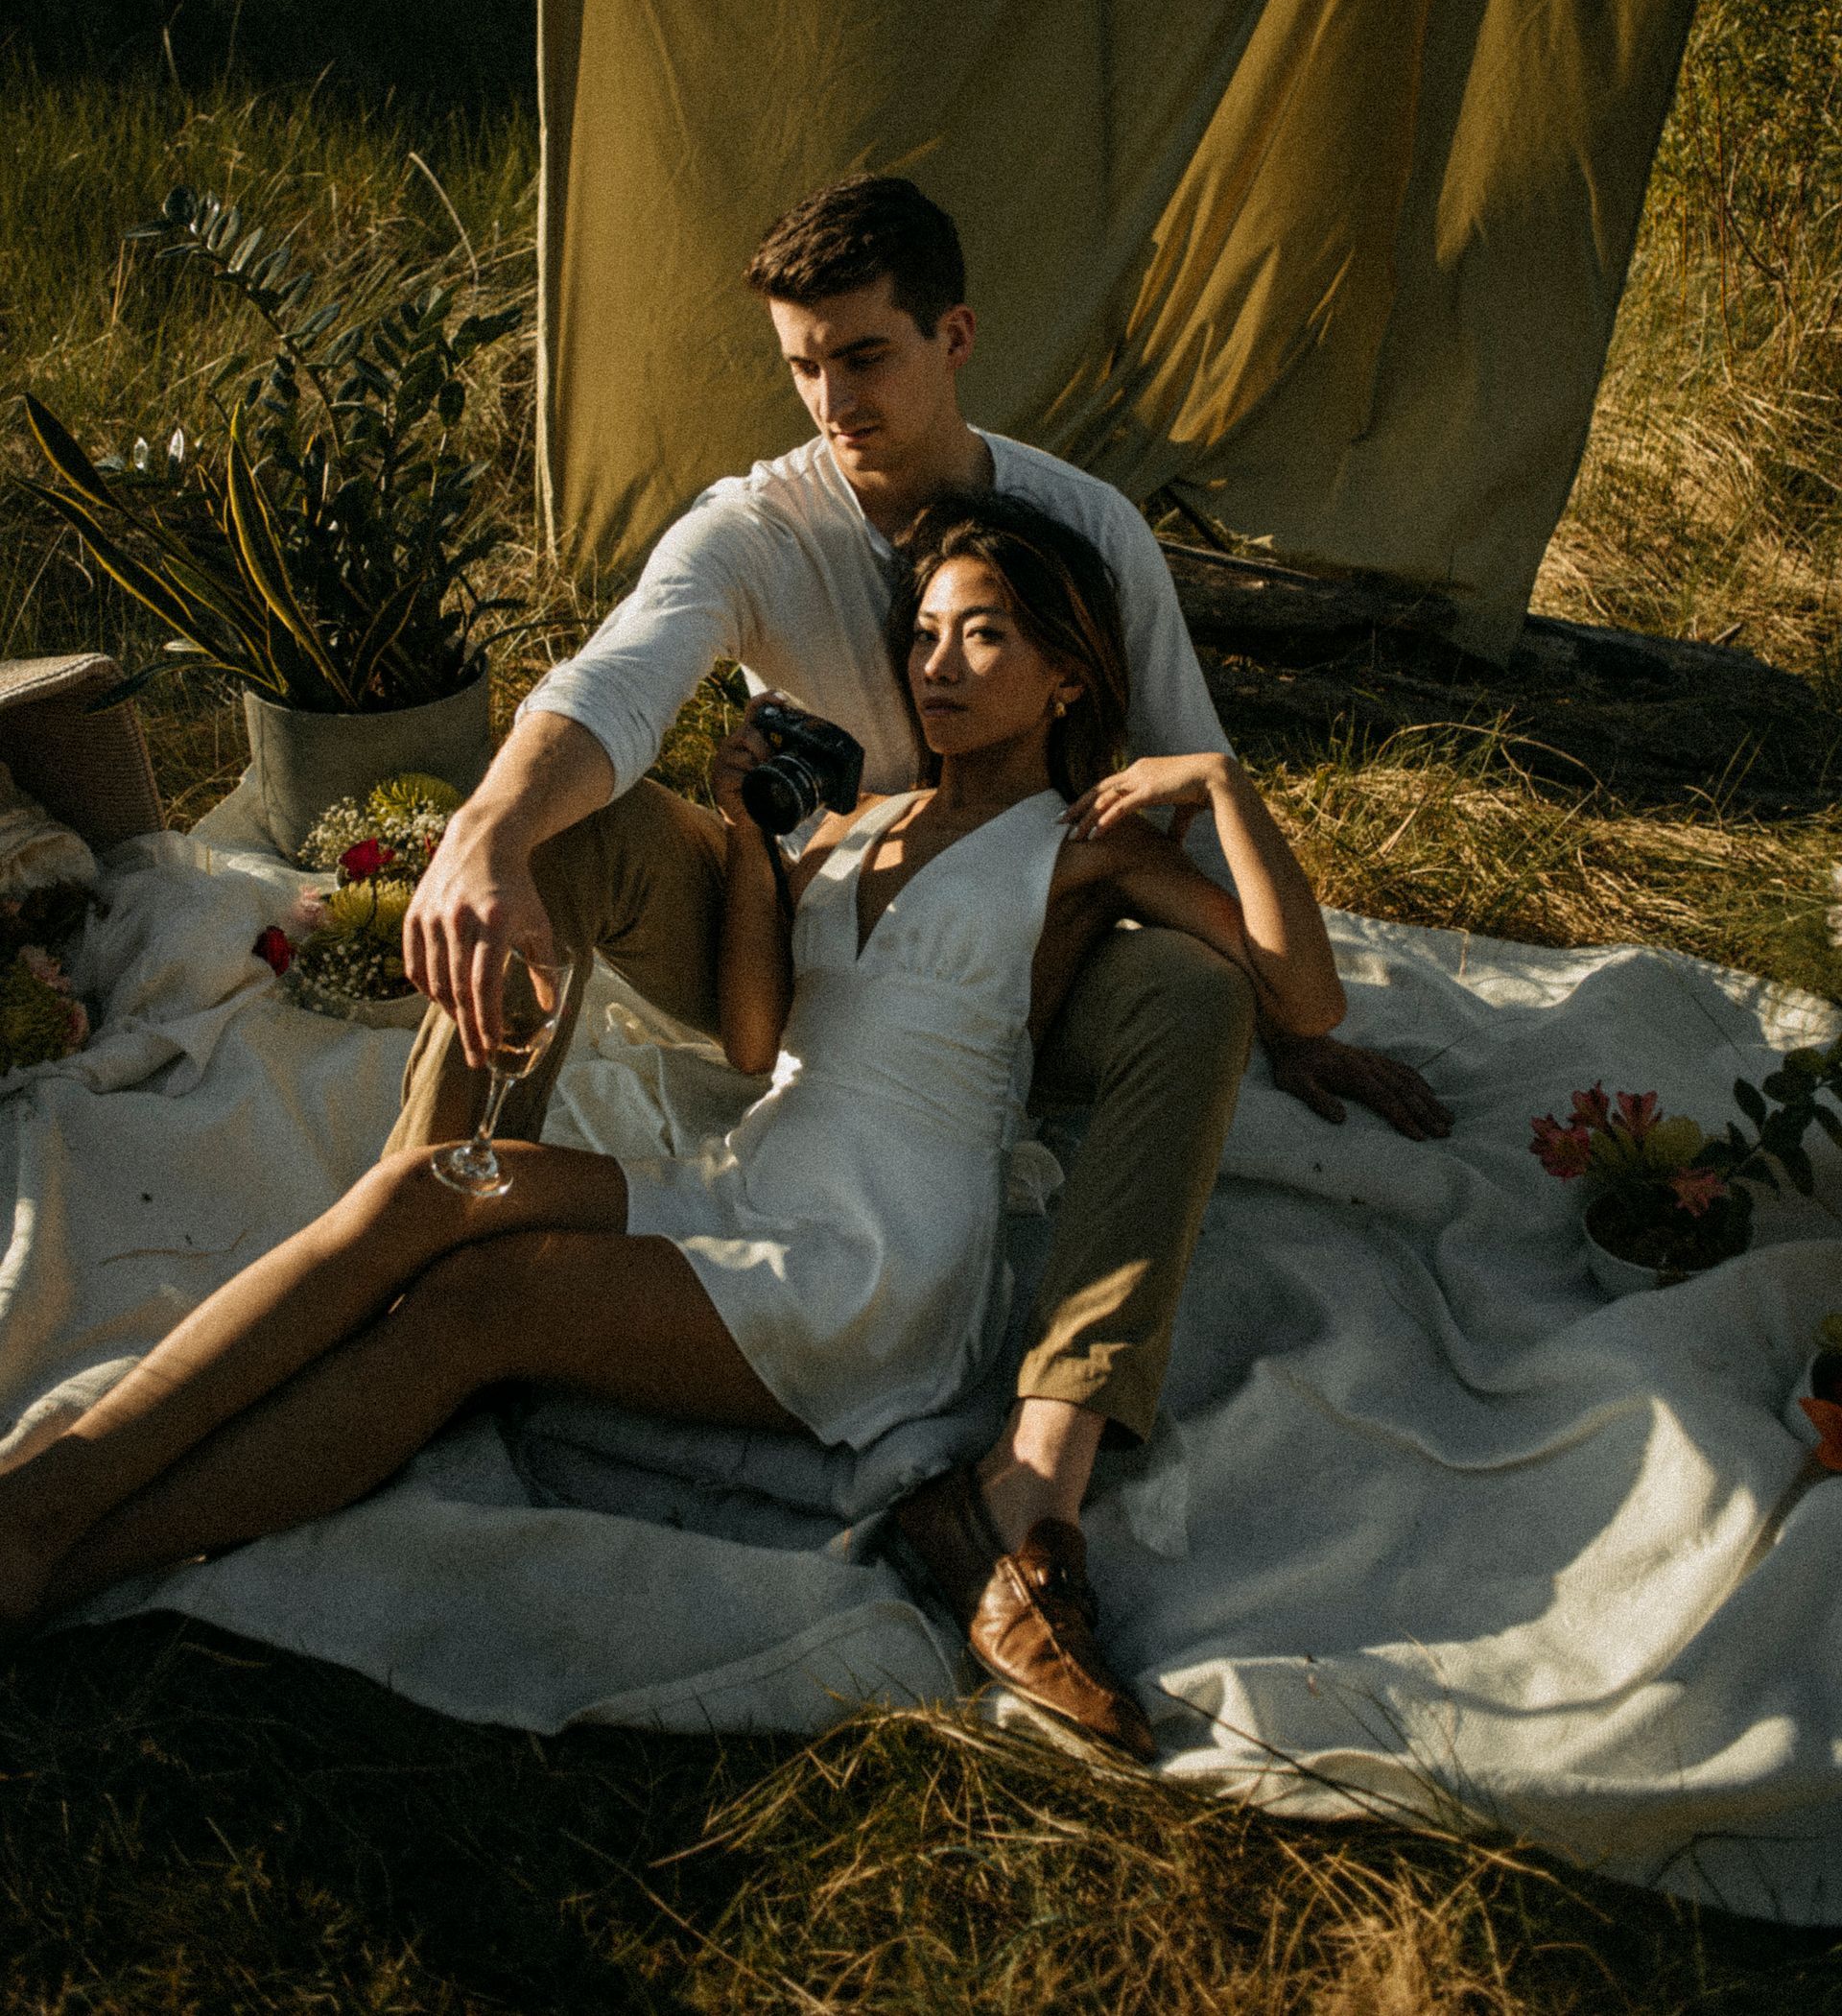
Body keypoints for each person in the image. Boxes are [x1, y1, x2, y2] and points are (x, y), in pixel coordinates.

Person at [0, 500, 1346, 1770]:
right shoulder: (859, 825)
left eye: (983, 633)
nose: (938, 662)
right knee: (435, 1185)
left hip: (874, 1251)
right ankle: (65, 1485)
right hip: (747, 1172)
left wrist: (1221, 790)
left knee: (475, 1302)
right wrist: (761, 848)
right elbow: (757, 1041)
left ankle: (71, 1543)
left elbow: (1300, 993)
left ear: (1068, 676)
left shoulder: (1082, 843)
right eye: (926, 631)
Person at [390, 173, 1451, 1750]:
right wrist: (482, 830)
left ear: (953, 339)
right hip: (803, 927)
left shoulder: (1082, 531)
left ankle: (1028, 1489)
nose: (833, 402)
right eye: (805, 365)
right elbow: (612, 683)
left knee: (1192, 984)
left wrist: (1291, 1027)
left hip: (1017, 962)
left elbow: (1181, 773)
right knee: (564, 832)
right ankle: (420, 1219)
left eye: (867, 358)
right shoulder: (759, 522)